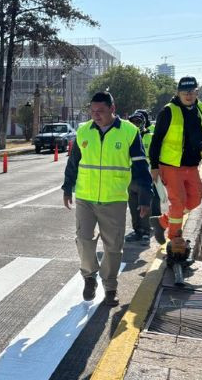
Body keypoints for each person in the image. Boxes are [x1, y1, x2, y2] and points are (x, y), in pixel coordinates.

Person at [62, 92, 153, 306]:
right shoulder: (84, 131)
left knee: (113, 246)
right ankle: (89, 277)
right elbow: (73, 162)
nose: (96, 115)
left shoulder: (129, 132)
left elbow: (141, 166)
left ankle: (110, 287)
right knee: (84, 240)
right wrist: (67, 188)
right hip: (85, 197)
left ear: (112, 108)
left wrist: (145, 197)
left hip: (114, 199)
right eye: (92, 111)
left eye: (101, 111)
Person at [148, 76, 202, 245]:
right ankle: (175, 240)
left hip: (192, 164)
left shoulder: (201, 108)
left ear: (197, 92)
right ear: (178, 93)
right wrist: (154, 166)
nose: (188, 95)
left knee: (196, 198)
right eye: (184, 92)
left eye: (191, 92)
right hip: (171, 165)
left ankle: (162, 222)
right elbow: (156, 140)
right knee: (178, 202)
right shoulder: (168, 111)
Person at [125, 112, 160, 244]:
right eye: (133, 122)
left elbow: (157, 155)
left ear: (143, 123)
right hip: (130, 177)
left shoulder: (150, 137)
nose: (136, 124)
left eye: (138, 122)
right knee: (133, 206)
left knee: (145, 205)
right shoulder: (127, 136)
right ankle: (137, 230)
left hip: (145, 176)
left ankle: (146, 231)